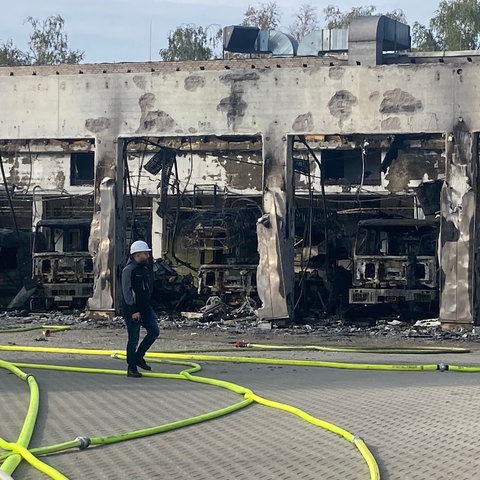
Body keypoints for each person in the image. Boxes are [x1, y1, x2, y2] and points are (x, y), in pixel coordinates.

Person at [121, 240, 159, 378]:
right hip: (133, 311)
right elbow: (127, 292)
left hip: (145, 309)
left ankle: (139, 357)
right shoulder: (129, 270)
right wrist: (133, 310)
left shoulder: (143, 269)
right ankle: (131, 368)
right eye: (145, 253)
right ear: (136, 255)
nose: (147, 256)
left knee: (154, 331)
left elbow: (146, 289)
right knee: (133, 339)